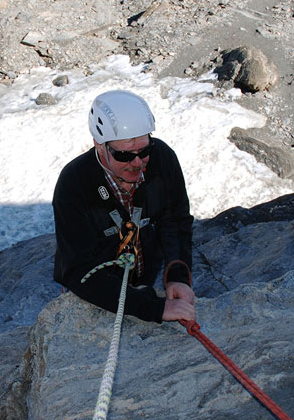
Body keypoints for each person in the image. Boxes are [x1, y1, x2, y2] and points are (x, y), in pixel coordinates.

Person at [52, 90, 195, 323]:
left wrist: (177, 276)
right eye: (124, 155)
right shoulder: (74, 183)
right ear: (99, 145)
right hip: (97, 290)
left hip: (145, 276)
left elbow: (175, 221)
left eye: (145, 151)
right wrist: (151, 308)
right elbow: (78, 269)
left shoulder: (163, 159)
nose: (138, 163)